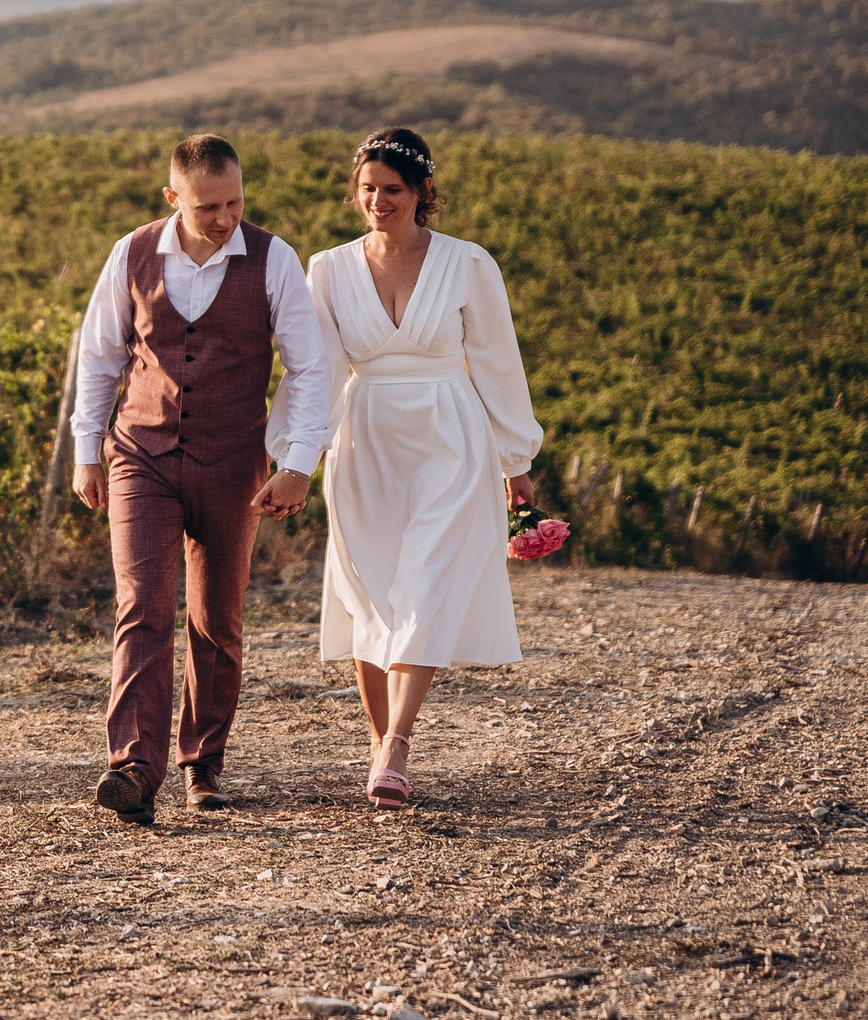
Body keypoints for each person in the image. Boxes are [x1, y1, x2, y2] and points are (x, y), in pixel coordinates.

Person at [69, 134, 331, 822]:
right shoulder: (131, 253)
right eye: (208, 205)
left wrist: (299, 464)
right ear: (172, 199)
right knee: (143, 604)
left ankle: (202, 764)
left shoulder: (274, 259)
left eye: (235, 202)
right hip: (141, 454)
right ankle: (132, 768)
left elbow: (310, 369)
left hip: (233, 460)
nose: (224, 218)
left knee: (217, 620)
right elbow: (98, 357)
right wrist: (85, 450)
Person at [304, 127, 543, 808]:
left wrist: (514, 460)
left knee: (429, 582)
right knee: (371, 590)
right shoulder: (327, 268)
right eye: (368, 189)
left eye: (393, 190)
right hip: (366, 437)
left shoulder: (468, 264)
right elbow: (318, 374)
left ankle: (397, 744)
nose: (379, 201)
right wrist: (297, 457)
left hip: (450, 435)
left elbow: (499, 363)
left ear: (423, 193)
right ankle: (383, 746)